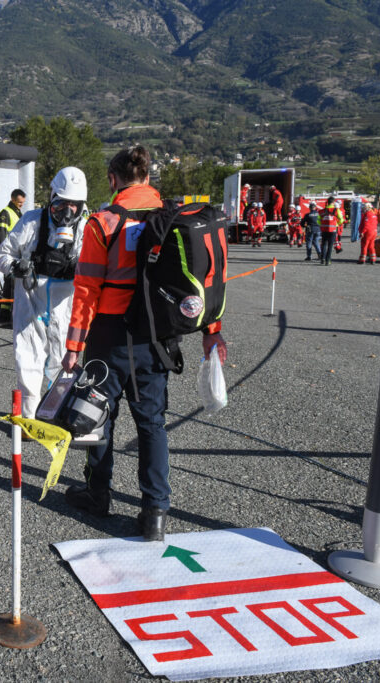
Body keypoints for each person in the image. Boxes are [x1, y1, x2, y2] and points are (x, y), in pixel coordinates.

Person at [60, 145, 226, 542]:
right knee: (152, 422)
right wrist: (212, 332)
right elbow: (206, 277)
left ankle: (98, 493)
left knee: (98, 414)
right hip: (157, 333)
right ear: (148, 178)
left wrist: (73, 345)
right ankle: (155, 512)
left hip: (110, 332)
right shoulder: (176, 218)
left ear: (113, 180)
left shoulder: (102, 222)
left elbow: (86, 288)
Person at [0, 169, 88, 419]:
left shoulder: (86, 228)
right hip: (31, 299)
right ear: (51, 200)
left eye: (74, 206)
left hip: (65, 303)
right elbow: (2, 256)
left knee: (63, 360)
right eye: (60, 205)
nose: (67, 213)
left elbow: (95, 270)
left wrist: (79, 268)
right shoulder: (31, 221)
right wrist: (17, 267)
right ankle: (28, 418)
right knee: (28, 358)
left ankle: (52, 415)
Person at [0, 189, 26, 324]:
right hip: (10, 255)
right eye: (19, 202)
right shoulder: (5, 213)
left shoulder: (18, 213)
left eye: (23, 203)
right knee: (8, 286)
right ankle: (4, 316)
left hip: (18, 255)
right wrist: (5, 254)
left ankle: (10, 315)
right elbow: (1, 234)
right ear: (12, 199)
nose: (21, 205)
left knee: (13, 285)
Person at [320, 197, 341, 265]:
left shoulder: (322, 210)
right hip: (333, 230)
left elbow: (318, 220)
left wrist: (322, 225)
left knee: (323, 245)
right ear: (333, 202)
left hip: (324, 230)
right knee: (330, 246)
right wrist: (336, 224)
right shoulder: (337, 210)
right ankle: (328, 260)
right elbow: (341, 219)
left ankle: (322, 259)